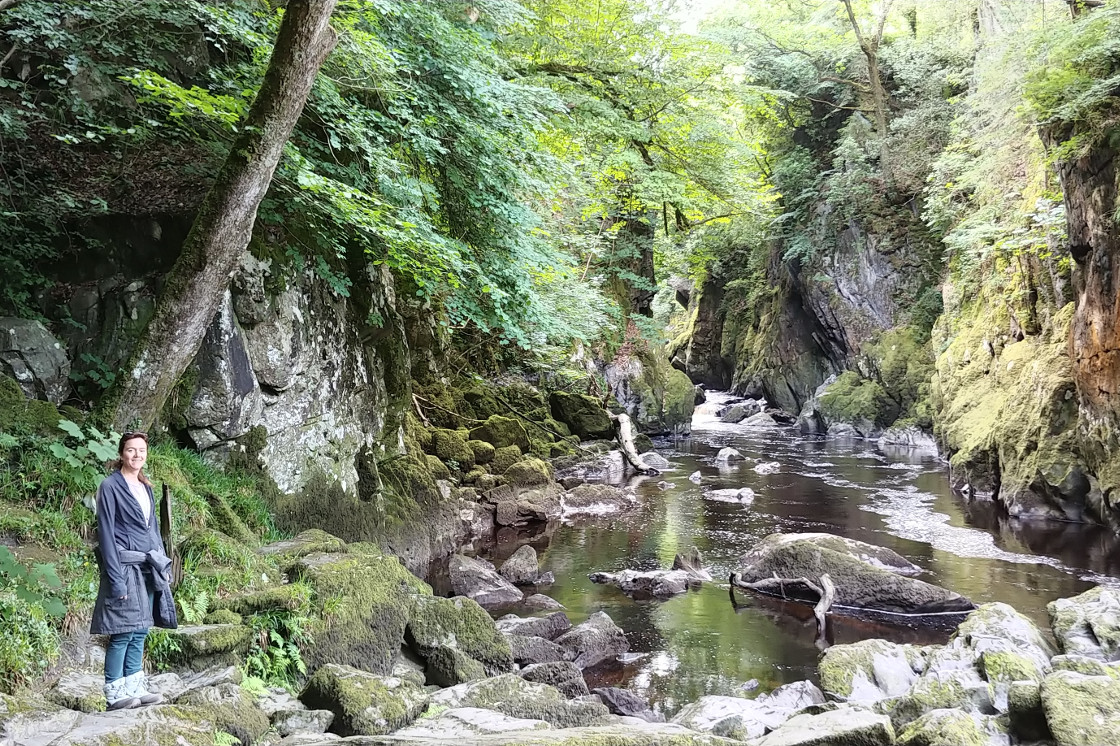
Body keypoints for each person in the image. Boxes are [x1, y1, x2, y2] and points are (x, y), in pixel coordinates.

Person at [89, 431, 178, 710]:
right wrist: (115, 580)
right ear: (121, 454)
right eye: (131, 450)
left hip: (148, 567)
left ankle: (135, 686)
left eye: (141, 450)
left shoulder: (146, 486)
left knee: (141, 630)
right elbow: (105, 536)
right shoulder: (110, 486)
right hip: (125, 568)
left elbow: (152, 531)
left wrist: (163, 565)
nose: (136, 455)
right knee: (123, 631)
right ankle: (115, 693)